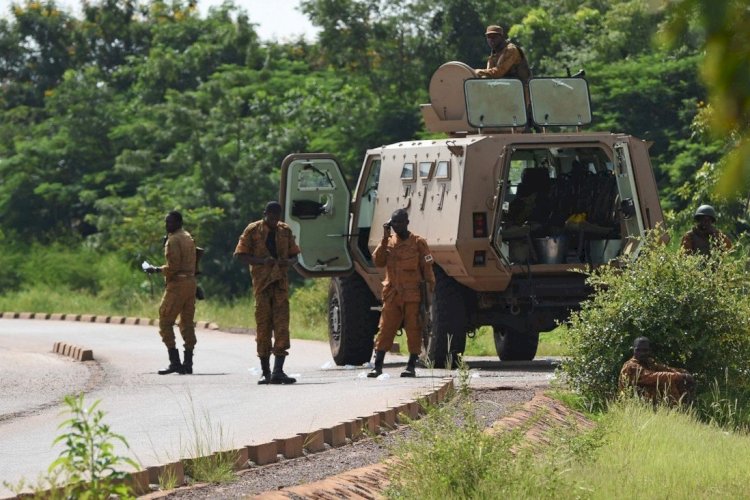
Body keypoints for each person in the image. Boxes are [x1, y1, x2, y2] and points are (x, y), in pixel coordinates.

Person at [234, 201, 300, 385]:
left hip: (280, 285)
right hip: (262, 286)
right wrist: (262, 261)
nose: (273, 220)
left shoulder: (284, 230)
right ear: (265, 214)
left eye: (277, 217)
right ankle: (265, 372)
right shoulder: (253, 230)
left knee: (281, 327)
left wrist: (288, 262)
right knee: (263, 328)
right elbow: (240, 255)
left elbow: (295, 255)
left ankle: (278, 371)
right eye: (271, 216)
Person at [368, 208, 435, 378]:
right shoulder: (388, 242)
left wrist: (429, 293)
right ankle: (378, 366)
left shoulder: (418, 243)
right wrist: (384, 237)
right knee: (385, 329)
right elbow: (378, 261)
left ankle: (411, 365)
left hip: (413, 295)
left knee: (414, 329)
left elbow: (427, 269)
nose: (396, 226)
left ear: (407, 223)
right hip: (392, 294)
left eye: (399, 222)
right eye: (394, 222)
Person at [145, 211, 197, 375]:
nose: (167, 225)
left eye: (170, 222)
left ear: (178, 222)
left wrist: (156, 269)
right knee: (187, 323)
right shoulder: (188, 236)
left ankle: (174, 361)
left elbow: (173, 267)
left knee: (165, 320)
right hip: (190, 283)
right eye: (166, 222)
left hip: (178, 285)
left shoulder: (173, 240)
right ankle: (188, 363)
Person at [619, 337, 695, 405]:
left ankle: (681, 408)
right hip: (633, 402)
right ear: (633, 350)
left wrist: (683, 373)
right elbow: (650, 377)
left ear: (649, 351)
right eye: (638, 350)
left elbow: (665, 369)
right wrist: (679, 376)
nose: (641, 353)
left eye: (645, 350)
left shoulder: (648, 362)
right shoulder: (631, 366)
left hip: (647, 400)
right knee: (666, 381)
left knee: (676, 380)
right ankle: (676, 409)